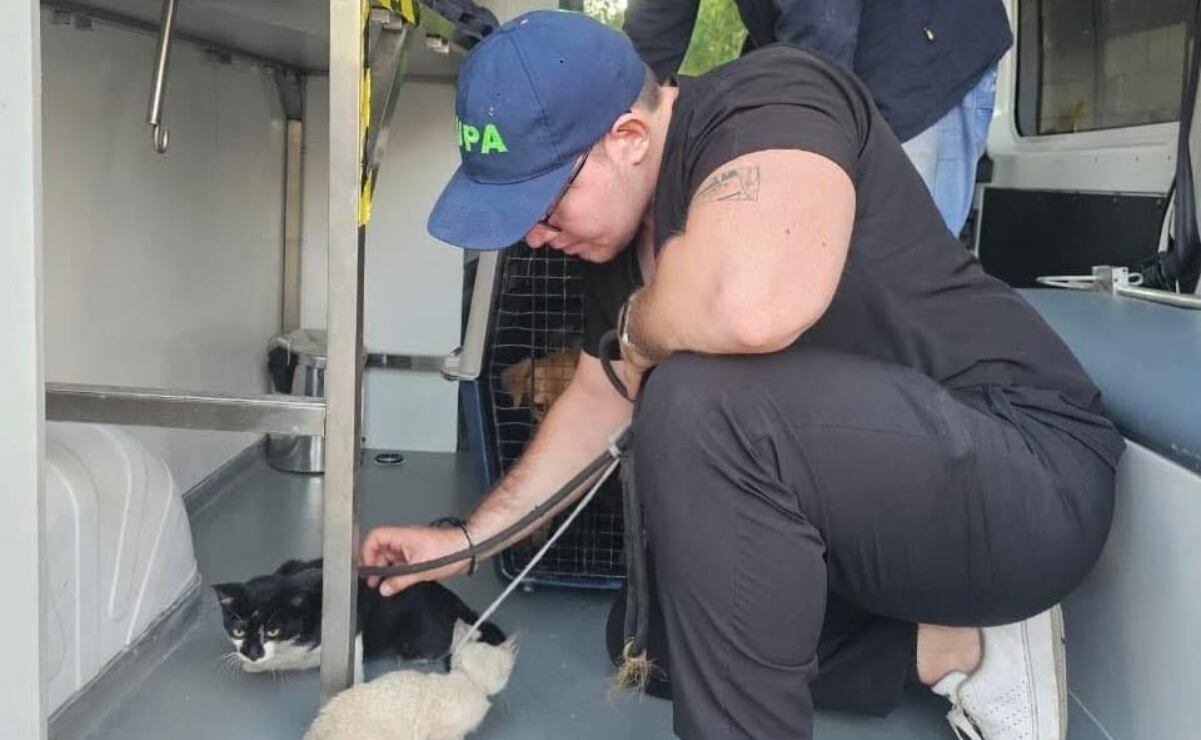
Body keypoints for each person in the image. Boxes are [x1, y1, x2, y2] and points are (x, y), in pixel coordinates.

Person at [362, 11, 1124, 740]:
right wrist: (464, 541)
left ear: (627, 137)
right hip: (867, 521)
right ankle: (959, 648)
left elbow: (751, 307)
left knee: (698, 403)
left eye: (545, 201)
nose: (533, 233)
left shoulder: (770, 100)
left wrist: (636, 331)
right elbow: (601, 394)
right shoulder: (612, 245)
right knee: (652, 635)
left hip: (1023, 477)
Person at [623, 0, 1012, 237]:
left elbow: (820, 23)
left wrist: (796, 142)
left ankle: (912, 367)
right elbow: (656, 20)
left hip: (920, 51)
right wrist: (619, 101)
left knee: (901, 252)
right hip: (828, 37)